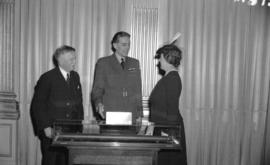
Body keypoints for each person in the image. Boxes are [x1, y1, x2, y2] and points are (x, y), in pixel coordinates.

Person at [30, 45, 84, 165]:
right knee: (52, 161)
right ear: (60, 60)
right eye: (71, 59)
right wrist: (46, 127)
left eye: (75, 58)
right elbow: (38, 105)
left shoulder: (75, 76)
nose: (75, 61)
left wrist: (80, 125)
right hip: (52, 130)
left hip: (71, 130)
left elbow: (79, 102)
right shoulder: (47, 78)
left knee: (68, 160)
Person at [91, 31, 143, 124]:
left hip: (131, 115)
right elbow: (97, 90)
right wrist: (98, 104)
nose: (127, 48)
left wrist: (139, 114)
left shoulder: (135, 63)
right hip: (110, 114)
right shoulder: (103, 63)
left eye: (128, 44)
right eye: (124, 44)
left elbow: (137, 90)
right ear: (115, 45)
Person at [149, 44, 187, 165]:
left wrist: (168, 137)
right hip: (164, 128)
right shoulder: (169, 77)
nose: (159, 61)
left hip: (168, 130)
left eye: (160, 57)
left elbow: (172, 110)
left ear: (168, 58)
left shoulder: (172, 79)